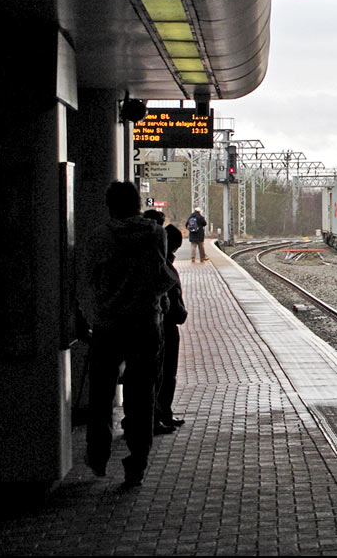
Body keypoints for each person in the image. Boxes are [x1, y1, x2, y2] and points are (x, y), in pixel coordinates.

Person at [83, 181, 174, 485]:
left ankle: (97, 456)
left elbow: (89, 278)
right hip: (146, 324)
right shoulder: (156, 234)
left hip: (108, 325)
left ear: (110, 206)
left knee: (101, 396)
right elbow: (162, 276)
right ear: (137, 205)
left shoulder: (99, 237)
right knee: (141, 396)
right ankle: (137, 461)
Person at [156, 224, 188, 432]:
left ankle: (160, 414)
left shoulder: (160, 262)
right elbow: (172, 298)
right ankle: (161, 414)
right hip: (164, 327)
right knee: (166, 374)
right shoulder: (164, 266)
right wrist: (181, 314)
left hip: (155, 324)